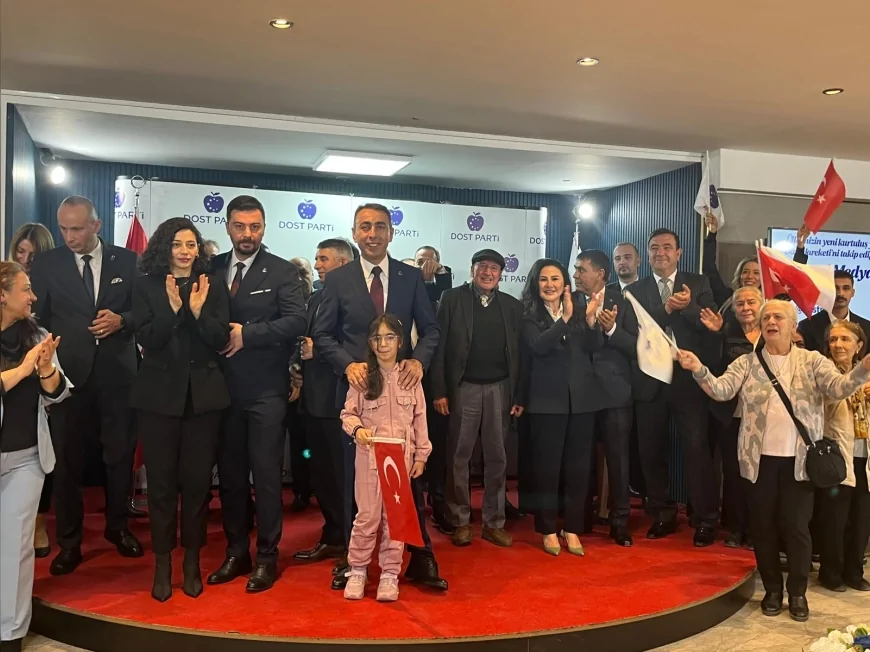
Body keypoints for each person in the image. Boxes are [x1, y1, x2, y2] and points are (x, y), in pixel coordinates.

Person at [676, 299, 870, 622]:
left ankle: (798, 593)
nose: (771, 322)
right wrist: (699, 369)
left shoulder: (811, 361)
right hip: (758, 463)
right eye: (766, 317)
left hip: (800, 464)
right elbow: (721, 391)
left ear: (793, 326)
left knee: (796, 528)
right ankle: (772, 590)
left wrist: (862, 369)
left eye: (778, 317)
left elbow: (837, 389)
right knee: (763, 528)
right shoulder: (747, 363)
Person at [312, 203, 447, 592]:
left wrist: (419, 361)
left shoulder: (409, 276)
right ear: (355, 233)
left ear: (391, 233)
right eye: (365, 226)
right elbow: (322, 334)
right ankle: (353, 561)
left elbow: (431, 329)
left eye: (380, 227)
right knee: (356, 484)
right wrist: (346, 365)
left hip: (402, 390)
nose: (372, 233)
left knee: (409, 482)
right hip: (358, 393)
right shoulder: (339, 279)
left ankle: (419, 556)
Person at [29, 195, 142, 575]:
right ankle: (70, 542)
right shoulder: (47, 264)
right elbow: (38, 320)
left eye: (77, 228)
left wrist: (123, 321)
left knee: (119, 455)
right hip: (67, 377)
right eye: (63, 228)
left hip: (118, 374)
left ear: (96, 225)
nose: (69, 236)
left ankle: (118, 528)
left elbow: (145, 311)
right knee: (67, 461)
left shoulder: (128, 261)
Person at [207, 195, 307, 593]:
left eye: (255, 226)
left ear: (264, 227)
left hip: (266, 390)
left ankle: (267, 556)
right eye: (240, 226)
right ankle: (236, 552)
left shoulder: (282, 271)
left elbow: (296, 320)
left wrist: (247, 335)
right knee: (230, 477)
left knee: (265, 476)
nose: (247, 234)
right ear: (228, 227)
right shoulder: (211, 267)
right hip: (221, 390)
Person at [128, 218, 231, 602]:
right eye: (177, 244)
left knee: (198, 486)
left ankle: (191, 562)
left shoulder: (212, 284)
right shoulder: (146, 286)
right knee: (161, 486)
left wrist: (199, 313)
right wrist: (172, 312)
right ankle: (162, 564)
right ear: (164, 248)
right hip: (158, 400)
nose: (185, 251)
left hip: (203, 400)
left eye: (191, 244)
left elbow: (220, 339)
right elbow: (147, 340)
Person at [626, 228, 719, 546]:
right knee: (650, 451)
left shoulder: (699, 283)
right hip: (650, 380)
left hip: (688, 381)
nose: (661, 252)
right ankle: (662, 514)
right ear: (647, 254)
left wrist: (687, 307)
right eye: (654, 248)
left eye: (667, 247)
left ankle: (705, 519)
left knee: (697, 450)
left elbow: (710, 325)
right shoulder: (635, 290)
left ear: (679, 253)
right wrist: (666, 309)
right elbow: (634, 330)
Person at [429, 249, 523, 548]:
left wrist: (518, 394)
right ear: (472, 270)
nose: (488, 272)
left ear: (501, 275)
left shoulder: (512, 306)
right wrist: (440, 391)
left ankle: (494, 523)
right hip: (463, 388)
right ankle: (460, 521)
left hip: (500, 389)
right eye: (482, 266)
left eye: (494, 268)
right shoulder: (452, 299)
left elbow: (519, 355)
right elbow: (439, 348)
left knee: (498, 458)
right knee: (459, 456)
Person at [1, 262, 71, 652]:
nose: (33, 297)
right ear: (2, 295)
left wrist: (44, 370)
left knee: (16, 547)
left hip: (26, 457)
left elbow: (58, 393)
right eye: (25, 289)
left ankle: (10, 635)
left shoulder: (38, 336)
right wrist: (23, 368)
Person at [340, 314, 431, 602]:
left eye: (389, 337)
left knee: (395, 519)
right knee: (366, 517)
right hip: (369, 457)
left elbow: (420, 418)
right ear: (370, 343)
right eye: (377, 338)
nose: (383, 344)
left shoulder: (410, 378)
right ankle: (357, 569)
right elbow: (348, 414)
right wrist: (358, 431)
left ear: (400, 341)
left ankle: (390, 573)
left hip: (400, 459)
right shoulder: (363, 377)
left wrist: (421, 454)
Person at [517, 258, 603, 556]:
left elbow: (593, 347)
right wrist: (564, 319)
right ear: (535, 283)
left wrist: (590, 322)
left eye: (555, 279)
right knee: (547, 470)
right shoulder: (528, 315)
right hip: (546, 403)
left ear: (565, 283)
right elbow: (538, 346)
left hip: (581, 402)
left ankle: (573, 527)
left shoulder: (577, 310)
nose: (550, 285)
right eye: (544, 279)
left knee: (578, 470)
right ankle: (548, 529)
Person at [293, 238, 356, 570]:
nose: (317, 265)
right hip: (313, 400)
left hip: (341, 400)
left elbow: (357, 345)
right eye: (316, 259)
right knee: (322, 475)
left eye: (323, 259)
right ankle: (332, 536)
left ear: (343, 263)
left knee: (344, 478)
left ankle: (353, 545)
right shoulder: (316, 297)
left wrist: (317, 351)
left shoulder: (357, 298)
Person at [573, 250, 635, 547]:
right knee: (580, 459)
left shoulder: (624, 302)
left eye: (581, 270)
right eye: (575, 269)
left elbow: (637, 345)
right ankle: (579, 518)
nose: (575, 275)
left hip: (615, 393)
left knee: (619, 459)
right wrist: (588, 324)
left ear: (600, 274)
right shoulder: (569, 302)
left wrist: (611, 328)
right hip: (579, 393)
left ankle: (620, 521)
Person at [699, 286, 763, 548]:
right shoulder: (724, 333)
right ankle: (736, 528)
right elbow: (713, 368)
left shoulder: (774, 333)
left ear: (762, 305)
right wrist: (715, 335)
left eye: (751, 302)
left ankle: (758, 530)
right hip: (730, 414)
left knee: (761, 474)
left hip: (765, 416)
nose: (746, 308)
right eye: (740, 304)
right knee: (733, 472)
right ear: (733, 309)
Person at [6, 222, 56, 558]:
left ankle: (39, 522)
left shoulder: (38, 328)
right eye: (20, 252)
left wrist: (44, 366)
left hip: (42, 363)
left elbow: (57, 389)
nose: (25, 259)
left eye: (32, 254)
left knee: (39, 449)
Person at [818, 321, 870, 593]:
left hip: (865, 455)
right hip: (837, 455)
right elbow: (824, 404)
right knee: (834, 520)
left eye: (845, 339)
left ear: (859, 345)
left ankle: (854, 571)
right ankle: (831, 573)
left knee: (861, 519)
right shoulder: (823, 371)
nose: (838, 345)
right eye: (833, 340)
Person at [799, 270, 870, 352]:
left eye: (846, 288)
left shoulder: (867, 327)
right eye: (836, 288)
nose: (840, 293)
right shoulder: (807, 326)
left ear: (853, 293)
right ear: (828, 292)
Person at [701, 215, 762, 310]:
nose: (750, 276)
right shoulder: (728, 298)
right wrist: (712, 234)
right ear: (739, 276)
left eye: (756, 273)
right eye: (745, 272)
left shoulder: (769, 304)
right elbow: (709, 268)